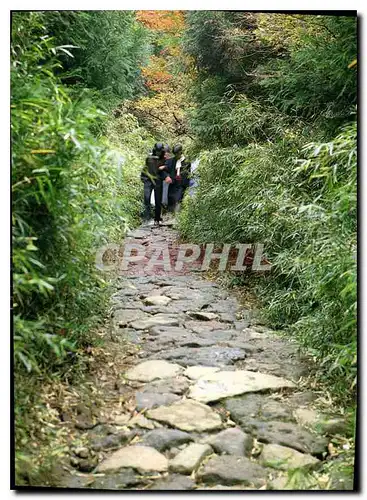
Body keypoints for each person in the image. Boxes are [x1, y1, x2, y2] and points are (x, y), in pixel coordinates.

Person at [141, 143, 166, 224]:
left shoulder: (164, 159)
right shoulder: (149, 157)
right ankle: (147, 218)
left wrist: (164, 167)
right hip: (148, 180)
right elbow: (145, 168)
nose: (158, 153)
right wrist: (144, 179)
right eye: (157, 151)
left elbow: (166, 170)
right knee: (146, 198)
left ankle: (157, 218)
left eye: (160, 151)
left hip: (158, 181)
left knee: (158, 200)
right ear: (155, 150)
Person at [163, 144, 191, 213]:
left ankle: (176, 217)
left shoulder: (187, 162)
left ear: (181, 152)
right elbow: (164, 169)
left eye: (177, 154)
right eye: (175, 154)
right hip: (172, 184)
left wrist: (185, 185)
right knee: (170, 199)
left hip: (181, 185)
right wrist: (167, 176)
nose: (176, 156)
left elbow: (188, 174)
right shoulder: (171, 161)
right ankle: (169, 215)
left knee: (178, 199)